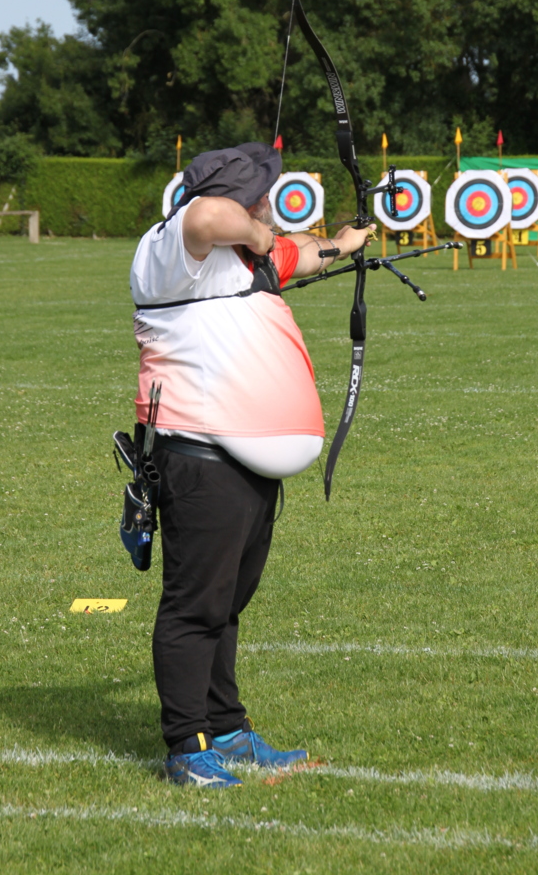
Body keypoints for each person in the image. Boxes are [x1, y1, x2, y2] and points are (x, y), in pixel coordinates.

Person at [129, 142, 372, 788]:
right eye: (259, 194)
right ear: (240, 199)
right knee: (194, 606)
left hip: (244, 465)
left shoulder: (244, 256)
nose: (268, 202)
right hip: (199, 456)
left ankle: (227, 729)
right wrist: (263, 233)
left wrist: (345, 241)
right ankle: (187, 748)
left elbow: (304, 252)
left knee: (225, 603)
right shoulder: (173, 248)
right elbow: (210, 217)